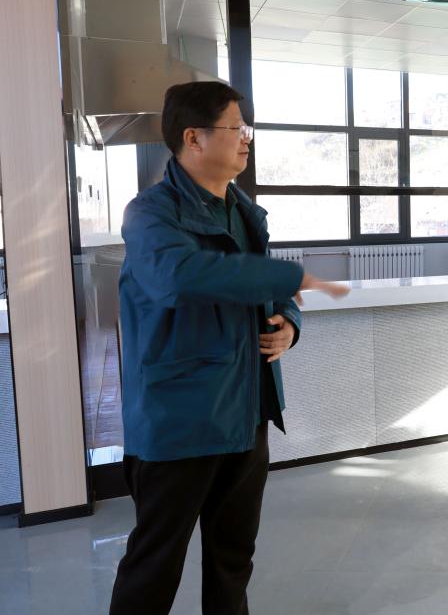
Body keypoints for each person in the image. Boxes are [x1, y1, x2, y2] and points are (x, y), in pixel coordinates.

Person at [110, 81, 349, 615]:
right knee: (155, 564)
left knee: (233, 557)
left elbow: (265, 292)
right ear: (193, 137)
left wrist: (289, 322)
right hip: (180, 419)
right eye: (236, 128)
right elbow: (183, 277)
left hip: (246, 411)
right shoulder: (150, 213)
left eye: (247, 129)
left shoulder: (244, 212)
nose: (246, 139)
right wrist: (289, 276)